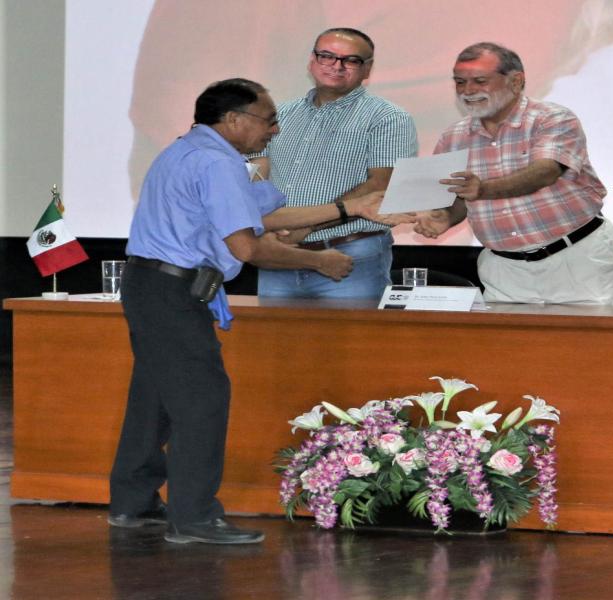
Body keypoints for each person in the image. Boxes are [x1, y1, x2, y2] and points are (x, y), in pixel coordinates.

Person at [108, 78, 408, 544]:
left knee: (155, 399)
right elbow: (249, 247)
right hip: (172, 292)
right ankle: (195, 519)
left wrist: (349, 209)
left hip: (155, 287)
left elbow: (265, 216)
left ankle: (133, 502)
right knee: (201, 402)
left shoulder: (196, 154)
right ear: (233, 120)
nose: (274, 131)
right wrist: (317, 260)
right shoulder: (216, 164)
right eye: (268, 120)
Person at [416, 42, 613, 304]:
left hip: (578, 258)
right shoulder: (453, 137)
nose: (468, 91)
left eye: (480, 81)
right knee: (509, 346)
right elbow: (460, 199)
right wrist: (445, 217)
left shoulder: (553, 118)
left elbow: (545, 172)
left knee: (592, 344)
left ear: (516, 81)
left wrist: (484, 189)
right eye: (460, 83)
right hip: (505, 270)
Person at [251, 27, 418, 299]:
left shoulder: (388, 117)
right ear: (312, 61)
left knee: (351, 343)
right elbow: (257, 173)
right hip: (277, 254)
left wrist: (302, 228)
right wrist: (259, 230)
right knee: (274, 342)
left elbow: (381, 186)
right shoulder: (279, 114)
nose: (336, 66)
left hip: (350, 256)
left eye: (351, 60)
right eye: (327, 56)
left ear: (367, 69)